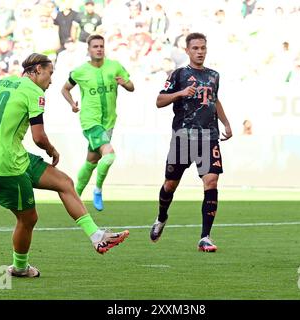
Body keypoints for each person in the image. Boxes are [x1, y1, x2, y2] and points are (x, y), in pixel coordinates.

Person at [0, 53, 129, 278]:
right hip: (7, 168)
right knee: (28, 219)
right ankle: (19, 267)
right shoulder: (34, 92)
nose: (50, 81)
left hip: (15, 157)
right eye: (50, 74)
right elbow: (38, 137)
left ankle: (97, 237)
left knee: (65, 183)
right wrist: (52, 150)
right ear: (37, 70)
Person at [150, 32, 232, 252]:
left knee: (211, 181)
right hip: (183, 138)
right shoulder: (178, 75)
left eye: (203, 48)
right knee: (170, 184)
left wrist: (226, 123)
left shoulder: (214, 75)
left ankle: (205, 237)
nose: (200, 52)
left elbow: (214, 100)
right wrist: (181, 93)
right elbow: (159, 101)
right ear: (187, 51)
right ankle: (161, 216)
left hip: (208, 137)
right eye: (195, 48)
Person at [61, 35, 134, 211]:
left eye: (101, 46)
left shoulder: (114, 66)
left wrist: (125, 83)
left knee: (92, 160)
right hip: (90, 121)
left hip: (109, 121)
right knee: (109, 155)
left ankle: (75, 195)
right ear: (89, 49)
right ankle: (98, 190)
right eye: (95, 46)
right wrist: (72, 103)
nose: (99, 49)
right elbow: (64, 88)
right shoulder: (80, 71)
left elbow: (132, 87)